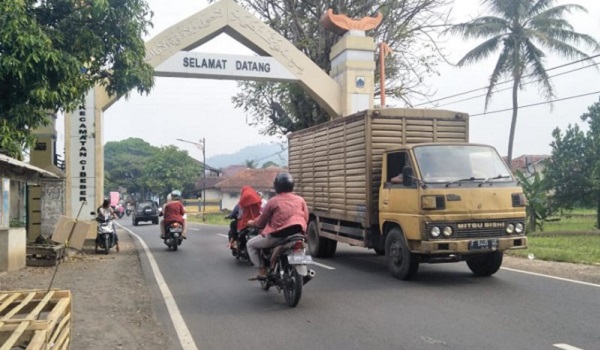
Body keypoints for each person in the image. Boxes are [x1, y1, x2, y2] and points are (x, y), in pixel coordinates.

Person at [246, 172, 309, 280]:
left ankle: (262, 270)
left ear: (277, 186)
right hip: (297, 235)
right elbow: (306, 218)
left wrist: (252, 223)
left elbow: (261, 221)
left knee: (250, 244)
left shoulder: (273, 201)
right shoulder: (300, 200)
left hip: (277, 237)